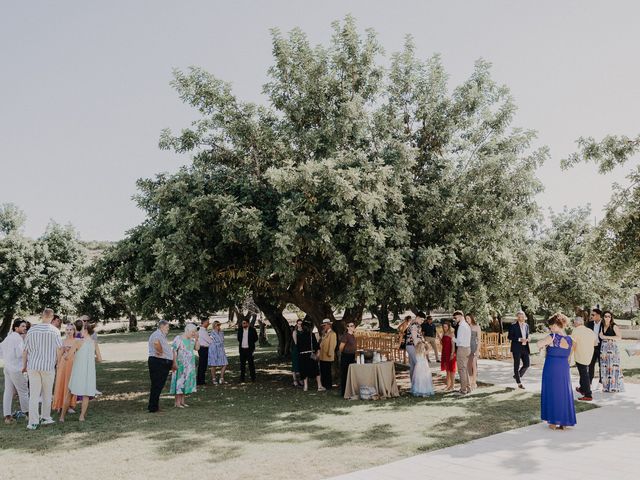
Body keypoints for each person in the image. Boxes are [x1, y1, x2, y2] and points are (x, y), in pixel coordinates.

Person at [22, 308, 63, 430]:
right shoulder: (54, 331)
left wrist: (24, 365)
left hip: (33, 366)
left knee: (33, 395)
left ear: (42, 316)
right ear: (51, 317)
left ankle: (33, 422)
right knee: (47, 393)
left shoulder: (32, 330)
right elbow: (59, 349)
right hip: (48, 366)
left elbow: (25, 350)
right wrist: (58, 363)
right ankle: (46, 417)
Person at [538, 313, 576, 430]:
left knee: (552, 392)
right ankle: (564, 422)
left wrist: (543, 346)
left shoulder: (553, 336)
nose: (550, 328)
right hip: (564, 368)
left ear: (556, 324)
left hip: (552, 367)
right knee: (564, 392)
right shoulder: (570, 339)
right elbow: (569, 357)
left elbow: (539, 343)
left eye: (551, 326)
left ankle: (553, 422)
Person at [60, 321, 102, 422]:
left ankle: (62, 417)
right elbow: (99, 359)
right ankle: (82, 416)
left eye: (82, 329)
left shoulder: (77, 342)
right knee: (86, 394)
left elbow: (68, 357)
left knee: (70, 392)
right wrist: (91, 359)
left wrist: (64, 353)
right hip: (89, 372)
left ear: (86, 330)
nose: (80, 331)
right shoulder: (94, 343)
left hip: (78, 370)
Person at [2, 319, 29, 424]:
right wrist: (25, 365)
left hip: (7, 367)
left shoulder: (8, 337)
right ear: (16, 328)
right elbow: (20, 354)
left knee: (8, 391)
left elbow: (1, 351)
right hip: (16, 369)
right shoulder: (18, 339)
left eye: (25, 326)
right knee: (23, 391)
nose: (24, 328)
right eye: (22, 326)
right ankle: (28, 414)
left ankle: (7, 417)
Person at [147, 320, 174, 413]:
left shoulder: (161, 335)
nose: (168, 329)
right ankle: (153, 407)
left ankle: (154, 406)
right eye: (167, 327)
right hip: (158, 362)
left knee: (158, 385)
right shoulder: (157, 334)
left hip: (161, 361)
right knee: (157, 385)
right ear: (162, 326)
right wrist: (160, 351)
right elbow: (156, 343)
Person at [52, 323, 79, 414]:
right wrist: (58, 364)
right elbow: (59, 354)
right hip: (63, 364)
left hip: (73, 363)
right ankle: (59, 405)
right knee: (61, 383)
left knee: (70, 384)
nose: (69, 331)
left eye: (71, 329)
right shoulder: (62, 341)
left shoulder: (77, 341)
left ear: (74, 331)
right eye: (67, 329)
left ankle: (70, 405)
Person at [170, 323, 199, 407]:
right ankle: (177, 403)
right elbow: (174, 351)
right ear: (187, 330)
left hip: (189, 366)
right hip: (180, 364)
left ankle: (182, 401)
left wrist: (197, 339)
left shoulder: (192, 340)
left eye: (195, 332)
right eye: (192, 332)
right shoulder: (178, 338)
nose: (193, 334)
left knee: (185, 382)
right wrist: (174, 363)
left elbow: (197, 348)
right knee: (179, 382)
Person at [571, 316, 597, 401]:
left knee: (584, 374)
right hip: (589, 355)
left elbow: (573, 345)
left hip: (580, 355)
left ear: (576, 323)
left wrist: (569, 355)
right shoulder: (590, 331)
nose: (574, 324)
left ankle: (588, 395)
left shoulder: (575, 331)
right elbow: (595, 343)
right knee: (584, 372)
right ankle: (582, 388)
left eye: (574, 323)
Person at [599, 310, 624, 393]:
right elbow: (600, 336)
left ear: (611, 317)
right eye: (605, 316)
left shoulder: (614, 326)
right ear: (603, 317)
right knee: (605, 367)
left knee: (613, 367)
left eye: (609, 316)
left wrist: (605, 337)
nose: (607, 318)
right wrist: (603, 337)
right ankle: (606, 387)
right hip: (604, 349)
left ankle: (614, 387)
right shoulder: (602, 325)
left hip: (612, 349)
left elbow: (619, 337)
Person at [508, 311, 530, 389]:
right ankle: (519, 382)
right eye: (519, 316)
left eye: (522, 316)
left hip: (525, 347)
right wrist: (519, 339)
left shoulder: (527, 325)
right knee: (516, 365)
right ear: (517, 317)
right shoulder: (513, 326)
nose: (521, 318)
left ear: (524, 317)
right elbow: (510, 337)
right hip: (516, 348)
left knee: (527, 364)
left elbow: (527, 335)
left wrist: (528, 339)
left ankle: (516, 376)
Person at [296, 322, 321, 392]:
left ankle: (306, 386)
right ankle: (319, 386)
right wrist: (317, 353)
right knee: (316, 370)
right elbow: (316, 345)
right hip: (310, 355)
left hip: (302, 355)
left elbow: (298, 347)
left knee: (304, 371)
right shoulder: (311, 335)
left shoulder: (299, 336)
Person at [453, 310, 471, 395]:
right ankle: (468, 388)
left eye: (456, 317)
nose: (455, 319)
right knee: (465, 369)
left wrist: (452, 338)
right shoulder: (466, 325)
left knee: (461, 370)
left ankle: (463, 390)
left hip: (462, 348)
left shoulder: (462, 326)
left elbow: (459, 341)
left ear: (460, 316)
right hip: (467, 348)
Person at [586, 308, 603, 386]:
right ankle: (589, 382)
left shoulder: (604, 323)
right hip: (591, 347)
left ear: (599, 315)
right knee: (590, 365)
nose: (591, 316)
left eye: (593, 314)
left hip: (601, 347)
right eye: (591, 314)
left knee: (601, 365)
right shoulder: (589, 324)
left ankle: (601, 382)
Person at [339, 321, 357, 397]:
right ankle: (344, 393)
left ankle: (350, 391)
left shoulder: (353, 336)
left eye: (353, 325)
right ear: (347, 327)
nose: (353, 327)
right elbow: (341, 347)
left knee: (351, 374)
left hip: (352, 356)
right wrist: (343, 354)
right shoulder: (345, 336)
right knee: (345, 374)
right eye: (351, 326)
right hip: (346, 356)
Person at [318, 319, 337, 390]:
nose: (324, 327)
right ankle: (323, 385)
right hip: (322, 355)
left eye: (325, 325)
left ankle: (328, 385)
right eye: (323, 325)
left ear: (329, 325)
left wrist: (330, 353)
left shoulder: (333, 334)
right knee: (323, 370)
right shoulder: (324, 333)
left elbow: (332, 345)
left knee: (327, 371)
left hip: (327, 355)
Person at [439, 321, 456, 392]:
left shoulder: (452, 334)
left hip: (450, 353)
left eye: (446, 327)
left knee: (452, 370)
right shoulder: (444, 333)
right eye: (443, 327)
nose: (444, 328)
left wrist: (452, 353)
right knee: (447, 370)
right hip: (444, 353)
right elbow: (442, 343)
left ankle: (452, 386)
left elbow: (453, 345)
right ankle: (448, 385)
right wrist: (440, 338)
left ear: (449, 327)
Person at [466, 314, 481, 390]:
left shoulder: (477, 327)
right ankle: (469, 382)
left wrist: (477, 351)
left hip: (474, 347)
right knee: (468, 366)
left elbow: (479, 340)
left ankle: (474, 383)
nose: (467, 320)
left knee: (474, 365)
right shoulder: (466, 327)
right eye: (466, 318)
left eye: (468, 318)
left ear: (471, 318)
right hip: (467, 348)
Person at [197, 319, 212, 386]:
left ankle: (201, 380)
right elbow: (209, 341)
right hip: (203, 349)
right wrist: (212, 338)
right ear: (204, 322)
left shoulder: (203, 330)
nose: (209, 323)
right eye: (207, 322)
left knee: (203, 365)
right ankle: (200, 381)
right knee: (202, 365)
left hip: (203, 349)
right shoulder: (202, 331)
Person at [291, 320, 304, 387]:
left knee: (301, 365)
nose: (300, 325)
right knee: (295, 365)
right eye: (299, 324)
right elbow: (296, 343)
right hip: (296, 349)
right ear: (297, 324)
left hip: (302, 350)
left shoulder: (304, 332)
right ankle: (295, 380)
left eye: (301, 324)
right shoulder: (295, 332)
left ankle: (301, 380)